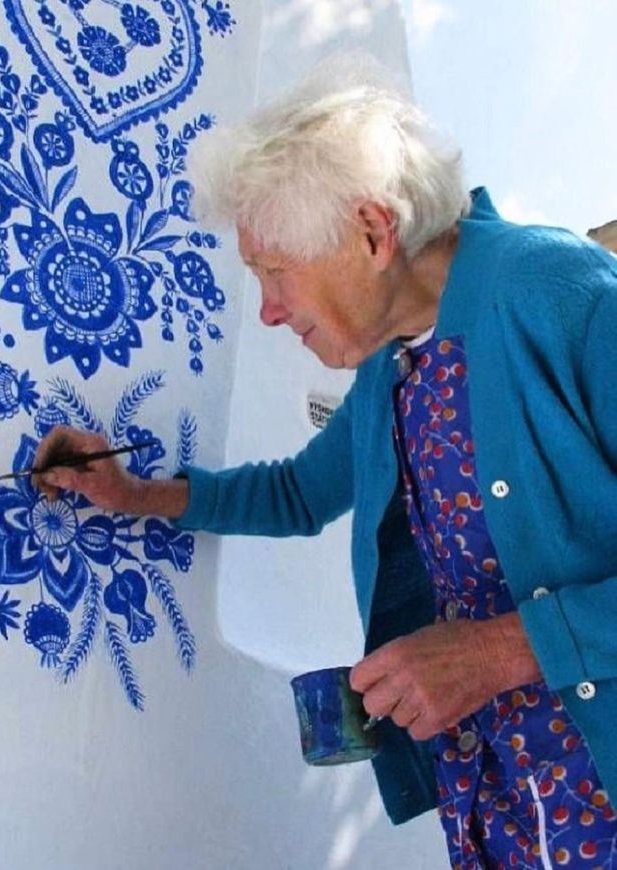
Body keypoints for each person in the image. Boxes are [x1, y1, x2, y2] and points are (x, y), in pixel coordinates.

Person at [34, 62, 617, 869]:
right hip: (499, 805)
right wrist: (132, 493)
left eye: (276, 273)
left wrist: (497, 650)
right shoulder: (391, 363)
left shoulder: (561, 294)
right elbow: (298, 493)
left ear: (374, 233)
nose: (270, 311)